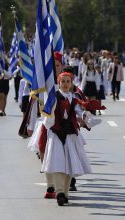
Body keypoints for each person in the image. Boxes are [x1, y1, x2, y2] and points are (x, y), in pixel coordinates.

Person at [41, 72, 92, 206]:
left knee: (70, 163)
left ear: (71, 83)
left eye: (67, 81)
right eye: (62, 81)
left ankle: (65, 192)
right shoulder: (53, 97)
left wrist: (86, 117)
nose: (65, 84)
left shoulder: (75, 99)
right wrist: (51, 123)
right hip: (56, 134)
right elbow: (47, 117)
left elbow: (80, 112)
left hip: (70, 134)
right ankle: (59, 193)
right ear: (59, 83)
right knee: (57, 163)